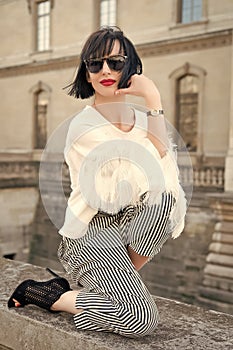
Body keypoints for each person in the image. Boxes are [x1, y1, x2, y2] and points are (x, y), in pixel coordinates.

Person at [8, 26, 187, 338]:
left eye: (116, 63)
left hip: (127, 225)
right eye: (96, 64)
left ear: (130, 69)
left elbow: (167, 174)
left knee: (166, 201)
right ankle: (54, 297)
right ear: (87, 73)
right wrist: (151, 167)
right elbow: (110, 195)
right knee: (140, 319)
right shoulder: (82, 127)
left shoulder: (146, 121)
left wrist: (153, 98)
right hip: (92, 228)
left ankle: (108, 288)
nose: (106, 70)